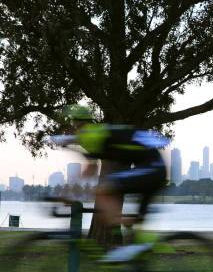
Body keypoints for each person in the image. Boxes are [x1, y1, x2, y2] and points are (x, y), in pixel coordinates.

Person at [57, 104, 168, 252]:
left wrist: (67, 193)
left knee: (102, 191)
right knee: (110, 198)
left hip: (151, 169)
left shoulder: (91, 135)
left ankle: (124, 227)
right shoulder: (97, 133)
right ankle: (132, 250)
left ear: (78, 124)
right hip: (153, 169)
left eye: (72, 125)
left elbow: (89, 169)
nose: (72, 131)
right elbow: (78, 143)